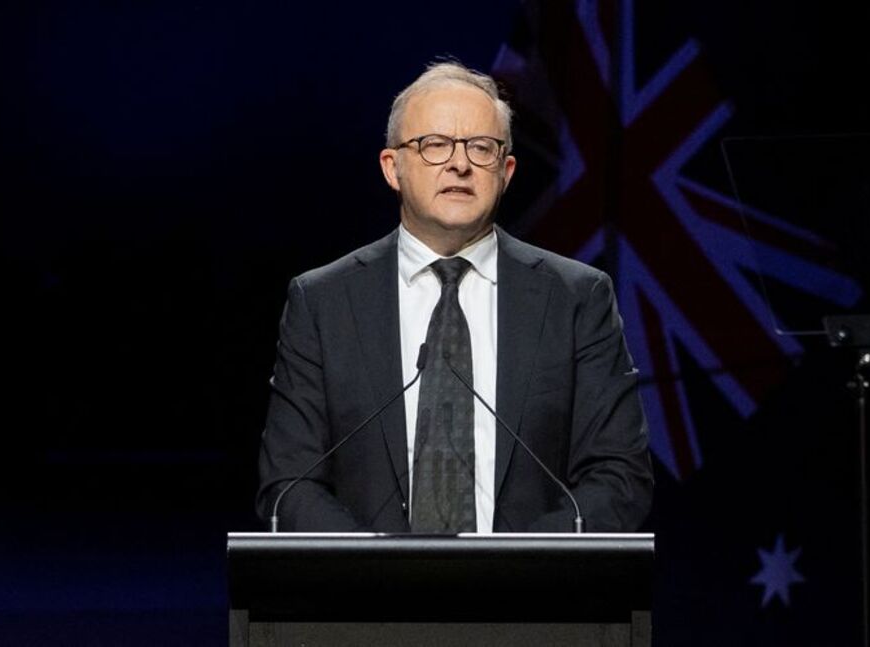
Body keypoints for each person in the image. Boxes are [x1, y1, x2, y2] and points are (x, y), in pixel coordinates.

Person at [256, 61, 653, 533]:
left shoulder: (577, 298)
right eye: (434, 144)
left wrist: (516, 565)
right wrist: (378, 565)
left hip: (531, 580)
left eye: (481, 148)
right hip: (367, 580)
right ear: (392, 168)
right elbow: (289, 483)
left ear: (505, 172)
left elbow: (619, 477)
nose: (459, 164)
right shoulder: (323, 303)